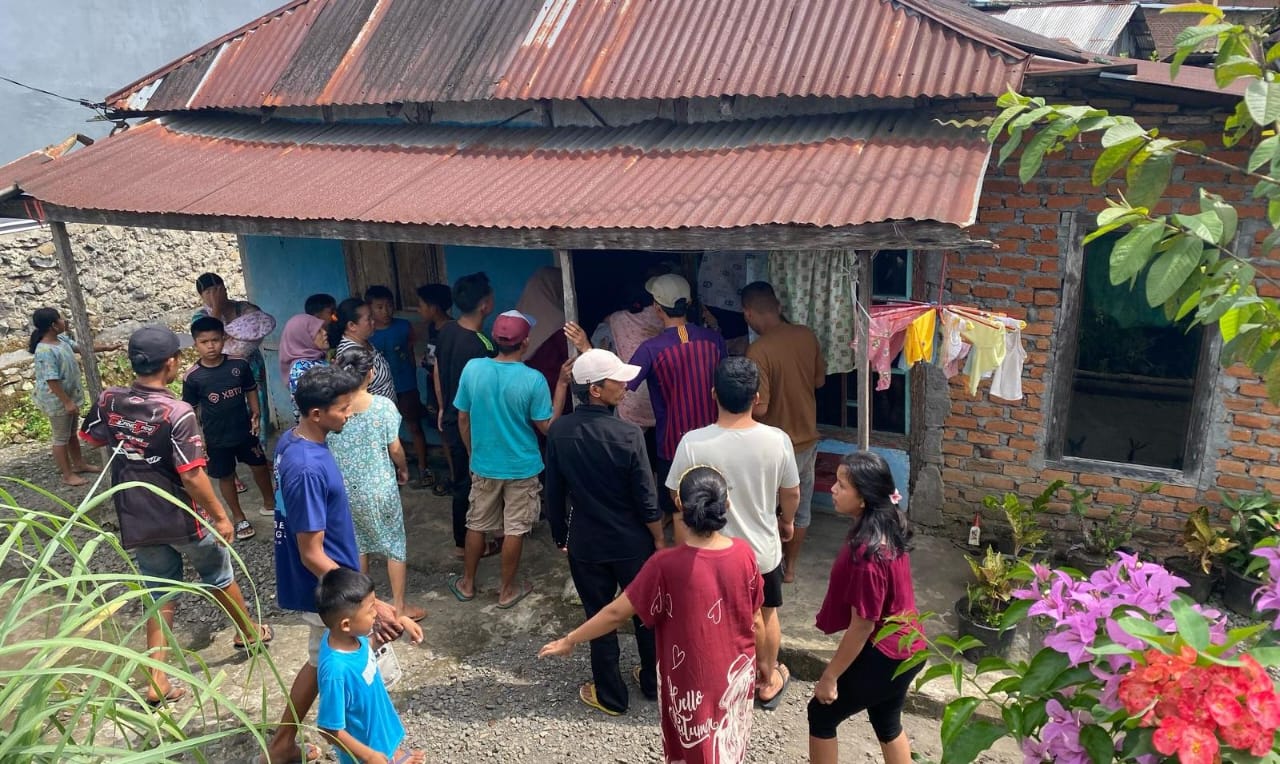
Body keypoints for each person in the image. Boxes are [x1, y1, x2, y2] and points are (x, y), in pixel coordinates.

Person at [79, 325, 270, 706]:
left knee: (158, 590)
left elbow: (91, 437)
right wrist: (221, 516)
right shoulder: (176, 412)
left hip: (135, 513)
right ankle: (249, 633)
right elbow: (192, 475)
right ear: (171, 363)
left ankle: (157, 679)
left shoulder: (109, 399)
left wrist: (130, 438)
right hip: (180, 514)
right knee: (217, 574)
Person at [540, 466, 764, 764]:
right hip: (736, 673)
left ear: (679, 504)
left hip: (689, 678)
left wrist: (570, 639)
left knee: (693, 747)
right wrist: (764, 665)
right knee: (728, 742)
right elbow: (757, 620)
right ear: (727, 504)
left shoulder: (665, 565)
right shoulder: (744, 554)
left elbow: (616, 613)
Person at [263, 364, 406, 764]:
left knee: (320, 660)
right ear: (316, 414)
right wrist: (365, 600)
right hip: (329, 586)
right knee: (348, 668)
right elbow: (311, 552)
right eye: (342, 408)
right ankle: (363, 751)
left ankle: (285, 744)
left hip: (337, 580)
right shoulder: (307, 467)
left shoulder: (292, 441)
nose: (349, 414)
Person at [666, 356, 800, 709]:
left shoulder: (693, 443)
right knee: (766, 614)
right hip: (762, 551)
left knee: (715, 617)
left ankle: (719, 676)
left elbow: (677, 495)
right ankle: (767, 680)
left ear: (714, 394)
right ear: (757, 397)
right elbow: (791, 493)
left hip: (710, 553)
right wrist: (787, 522)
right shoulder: (777, 440)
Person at [545, 349, 663, 716]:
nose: (626, 385)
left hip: (587, 542)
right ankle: (653, 682)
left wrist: (561, 535)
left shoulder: (559, 431)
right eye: (617, 380)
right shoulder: (629, 434)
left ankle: (611, 695)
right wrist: (659, 539)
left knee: (598, 615)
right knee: (646, 613)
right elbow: (646, 498)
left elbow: (554, 492)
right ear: (595, 389)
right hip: (632, 544)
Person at [446, 310, 568, 608]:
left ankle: (468, 583)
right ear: (525, 342)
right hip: (522, 466)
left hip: (484, 463)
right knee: (515, 528)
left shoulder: (473, 369)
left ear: (494, 339)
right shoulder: (533, 379)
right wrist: (563, 385)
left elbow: (462, 417)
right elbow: (548, 427)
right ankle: (507, 590)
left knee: (476, 523)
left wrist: (472, 452)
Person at [808, 451, 924, 764]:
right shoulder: (886, 525)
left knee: (821, 714)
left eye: (842, 485)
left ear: (864, 498)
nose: (832, 489)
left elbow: (862, 626)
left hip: (887, 654)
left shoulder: (868, 554)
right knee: (886, 721)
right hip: (910, 646)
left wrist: (830, 676)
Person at [328, 347, 426, 622]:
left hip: (346, 489)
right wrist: (403, 468)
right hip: (380, 488)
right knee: (394, 544)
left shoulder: (332, 409)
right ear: (370, 374)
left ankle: (362, 608)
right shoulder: (383, 407)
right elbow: (395, 448)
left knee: (358, 545)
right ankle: (399, 607)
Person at [627, 273, 725, 540]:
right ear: (689, 303)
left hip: (672, 444)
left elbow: (623, 384)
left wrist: (586, 349)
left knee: (678, 508)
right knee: (713, 500)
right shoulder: (713, 340)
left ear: (657, 308)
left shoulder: (651, 348)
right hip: (712, 437)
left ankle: (683, 557)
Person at [742, 280, 826, 583]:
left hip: (774, 446)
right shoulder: (806, 335)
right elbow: (819, 381)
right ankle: (790, 569)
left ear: (748, 313)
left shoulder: (758, 351)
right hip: (807, 439)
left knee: (767, 509)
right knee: (800, 509)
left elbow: (760, 409)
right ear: (777, 307)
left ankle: (770, 568)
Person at [314, 567, 425, 764]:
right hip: (363, 751)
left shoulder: (346, 637)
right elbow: (328, 728)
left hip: (375, 727)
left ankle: (390, 754)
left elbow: (366, 648)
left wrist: (398, 624)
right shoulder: (335, 671)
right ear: (346, 624)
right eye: (371, 608)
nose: (376, 613)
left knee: (384, 750)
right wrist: (368, 755)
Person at [182, 316, 277, 540]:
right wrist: (199, 438)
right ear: (195, 344)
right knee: (225, 476)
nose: (211, 346)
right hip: (216, 437)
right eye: (204, 342)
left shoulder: (238, 364)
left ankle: (271, 503)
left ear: (224, 339)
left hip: (245, 430)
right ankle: (238, 516)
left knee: (259, 465)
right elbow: (191, 410)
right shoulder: (192, 377)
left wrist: (256, 413)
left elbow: (250, 389)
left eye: (215, 340)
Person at [434, 273, 496, 556]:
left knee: (461, 480)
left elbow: (437, 369)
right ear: (484, 305)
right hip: (470, 425)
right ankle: (468, 544)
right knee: (473, 484)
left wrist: (442, 405)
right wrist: (472, 445)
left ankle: (465, 541)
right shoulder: (483, 345)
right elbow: (479, 400)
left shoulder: (447, 330)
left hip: (450, 416)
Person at [28, 307, 117, 486]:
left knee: (71, 434)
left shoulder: (61, 340)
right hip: (57, 401)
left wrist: (107, 347)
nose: (64, 322)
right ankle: (67, 475)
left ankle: (79, 464)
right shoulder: (45, 351)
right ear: (53, 325)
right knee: (61, 438)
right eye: (61, 319)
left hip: (68, 397)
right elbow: (51, 380)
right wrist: (67, 402)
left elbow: (80, 348)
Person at [193, 272, 276, 437]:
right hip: (219, 371)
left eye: (217, 289)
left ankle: (259, 443)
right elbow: (209, 334)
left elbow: (259, 325)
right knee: (229, 407)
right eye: (208, 292)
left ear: (225, 289)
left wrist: (228, 334)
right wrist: (216, 311)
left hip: (251, 367)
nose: (214, 295)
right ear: (201, 296)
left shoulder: (243, 308)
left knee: (256, 406)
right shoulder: (200, 316)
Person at [366, 285, 432, 489]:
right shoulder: (368, 333)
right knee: (384, 431)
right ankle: (392, 470)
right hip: (379, 389)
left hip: (406, 384)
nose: (386, 311)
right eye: (379, 307)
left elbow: (410, 354)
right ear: (370, 310)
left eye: (389, 305)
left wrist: (413, 379)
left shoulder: (404, 327)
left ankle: (423, 469)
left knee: (414, 426)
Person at [514, 266, 572, 413]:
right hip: (555, 394)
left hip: (525, 394)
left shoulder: (515, 322)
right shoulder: (562, 325)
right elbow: (573, 359)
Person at [415, 283, 454, 496]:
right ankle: (454, 475)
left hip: (448, 390)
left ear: (434, 308)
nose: (418, 309)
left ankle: (461, 476)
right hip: (433, 385)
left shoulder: (452, 330)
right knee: (443, 432)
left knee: (453, 433)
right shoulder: (433, 328)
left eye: (421, 305)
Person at [328, 298, 397, 402]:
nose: (373, 322)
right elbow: (353, 398)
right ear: (352, 326)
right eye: (368, 319)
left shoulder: (364, 342)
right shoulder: (350, 355)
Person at [279, 313, 330, 409]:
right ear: (303, 337)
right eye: (318, 331)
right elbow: (314, 405)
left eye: (323, 329)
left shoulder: (317, 359)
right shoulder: (300, 369)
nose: (325, 333)